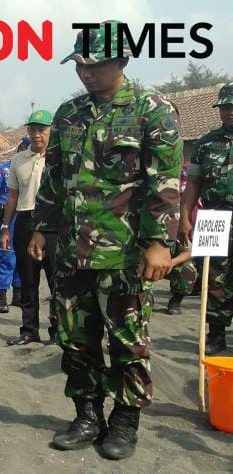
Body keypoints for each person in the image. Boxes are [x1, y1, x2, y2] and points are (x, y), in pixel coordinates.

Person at [30, 22, 181, 460]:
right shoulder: (68, 114)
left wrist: (159, 243)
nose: (86, 73)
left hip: (124, 252)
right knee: (75, 337)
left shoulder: (153, 110)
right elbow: (54, 178)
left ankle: (124, 420)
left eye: (95, 65)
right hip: (72, 252)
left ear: (123, 61)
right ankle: (87, 413)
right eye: (80, 64)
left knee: (127, 340)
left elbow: (166, 184)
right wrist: (42, 225)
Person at [181, 82, 232, 354]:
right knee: (213, 276)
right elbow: (193, 184)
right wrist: (185, 217)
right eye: (225, 107)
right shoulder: (205, 143)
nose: (229, 112)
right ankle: (215, 334)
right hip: (214, 215)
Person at [1, 110, 57, 346]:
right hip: (25, 219)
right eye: (32, 129)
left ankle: (57, 332)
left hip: (54, 223)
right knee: (28, 279)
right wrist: (5, 227)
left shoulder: (59, 157)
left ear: (50, 131)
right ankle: (29, 330)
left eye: (41, 130)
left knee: (56, 280)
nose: (36, 135)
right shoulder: (18, 160)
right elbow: (12, 195)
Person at [0, 157, 21, 312]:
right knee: (6, 256)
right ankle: (1, 298)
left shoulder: (37, 166)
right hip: (6, 218)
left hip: (26, 216)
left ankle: (18, 296)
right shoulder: (2, 169)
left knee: (22, 259)